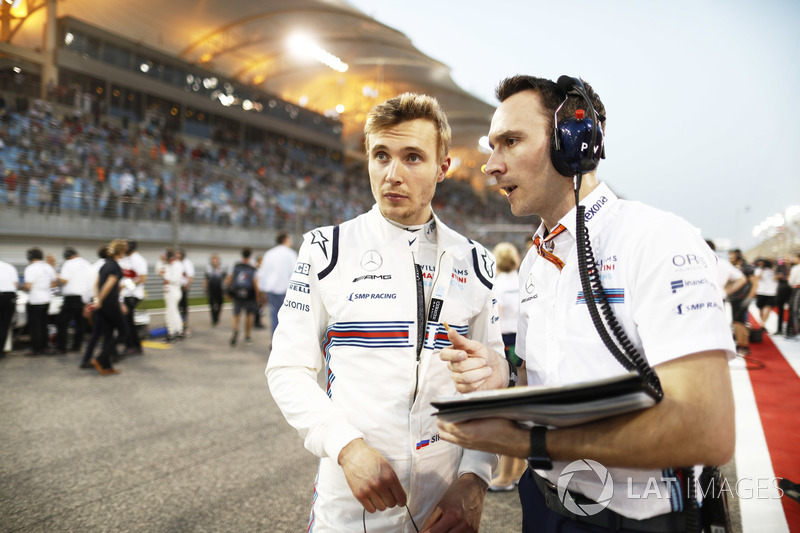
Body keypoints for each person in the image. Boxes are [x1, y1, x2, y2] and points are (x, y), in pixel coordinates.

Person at [436, 75, 736, 532]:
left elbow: (706, 430)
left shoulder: (654, 237)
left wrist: (529, 441)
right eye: (491, 146)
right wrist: (504, 376)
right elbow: (546, 380)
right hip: (543, 502)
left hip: (637, 518)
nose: (490, 166)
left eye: (510, 142)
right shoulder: (537, 256)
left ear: (573, 141)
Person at [266, 93, 503, 532]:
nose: (392, 175)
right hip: (354, 496)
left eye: (413, 157)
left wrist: (475, 479)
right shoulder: (326, 250)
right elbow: (286, 369)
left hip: (444, 501)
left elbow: (490, 389)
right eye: (381, 156)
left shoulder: (477, 262)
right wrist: (346, 446)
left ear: (443, 167)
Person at [487, 242, 527, 493]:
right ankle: (517, 471)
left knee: (506, 411)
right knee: (521, 409)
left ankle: (504, 476)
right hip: (522, 344)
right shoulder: (522, 280)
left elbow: (495, 320)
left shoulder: (498, 285)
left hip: (505, 345)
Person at [90, 239, 127, 375]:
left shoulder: (104, 265)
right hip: (110, 304)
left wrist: (96, 300)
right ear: (121, 251)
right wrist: (100, 300)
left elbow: (96, 284)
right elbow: (109, 285)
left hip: (102, 305)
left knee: (108, 335)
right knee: (123, 332)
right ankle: (100, 359)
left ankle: (107, 365)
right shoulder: (115, 267)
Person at [256, 232, 298, 338]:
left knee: (274, 316)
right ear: (285, 240)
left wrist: (262, 290)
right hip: (286, 290)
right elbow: (295, 272)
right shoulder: (291, 254)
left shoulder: (269, 254)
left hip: (272, 290)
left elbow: (263, 272)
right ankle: (285, 341)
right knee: (288, 318)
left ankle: (275, 340)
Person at [56, 247, 93, 354]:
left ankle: (61, 348)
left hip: (71, 298)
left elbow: (64, 281)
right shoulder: (87, 264)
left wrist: (57, 275)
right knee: (80, 323)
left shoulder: (69, 263)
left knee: (61, 322)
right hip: (84, 298)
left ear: (68, 256)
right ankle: (77, 346)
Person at [23, 247, 57, 356]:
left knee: (35, 326)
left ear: (30, 257)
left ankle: (36, 349)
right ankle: (44, 347)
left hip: (35, 300)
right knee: (44, 324)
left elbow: (28, 286)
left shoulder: (30, 268)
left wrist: (23, 286)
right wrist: (44, 287)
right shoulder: (48, 267)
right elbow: (54, 284)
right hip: (46, 299)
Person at [225, 247, 259, 347]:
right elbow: (255, 282)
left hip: (237, 293)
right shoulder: (253, 266)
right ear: (250, 255)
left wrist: (228, 291)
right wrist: (258, 296)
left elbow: (229, 278)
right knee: (249, 315)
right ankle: (247, 336)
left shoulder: (235, 265)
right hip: (249, 294)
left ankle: (235, 330)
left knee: (236, 314)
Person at [119, 239, 148, 355]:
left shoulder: (138, 260)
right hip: (126, 295)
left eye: (125, 246)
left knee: (127, 321)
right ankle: (135, 346)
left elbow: (142, 278)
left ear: (131, 247)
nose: (123, 248)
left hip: (133, 295)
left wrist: (128, 285)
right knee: (128, 322)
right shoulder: (125, 259)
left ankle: (131, 346)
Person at [729, 249, 758, 354]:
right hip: (736, 298)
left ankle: (744, 346)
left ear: (737, 257)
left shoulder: (746, 268)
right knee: (737, 322)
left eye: (731, 257)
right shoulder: (735, 267)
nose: (730, 259)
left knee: (739, 322)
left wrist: (749, 298)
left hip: (742, 298)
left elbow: (755, 284)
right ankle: (741, 344)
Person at [159, 248, 184, 343]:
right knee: (174, 312)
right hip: (170, 290)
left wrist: (164, 275)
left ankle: (172, 333)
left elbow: (175, 279)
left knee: (170, 313)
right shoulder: (169, 265)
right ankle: (179, 331)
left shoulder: (176, 265)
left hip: (173, 290)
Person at [0, 258, 18, 355]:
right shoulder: (9, 267)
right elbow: (15, 285)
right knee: (4, 325)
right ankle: (1, 351)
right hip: (9, 296)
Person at [203, 253, 225, 326]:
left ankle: (217, 316)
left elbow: (224, 279)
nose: (215, 261)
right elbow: (206, 279)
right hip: (211, 289)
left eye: (216, 260)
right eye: (213, 260)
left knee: (220, 303)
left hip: (219, 289)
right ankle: (214, 319)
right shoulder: (208, 269)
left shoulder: (221, 268)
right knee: (212, 304)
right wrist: (204, 288)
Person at [177, 249, 194, 332]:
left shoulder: (187, 263)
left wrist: (187, 286)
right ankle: (177, 322)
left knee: (183, 306)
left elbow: (190, 277)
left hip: (183, 287)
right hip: (176, 287)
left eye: (179, 254)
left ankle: (184, 322)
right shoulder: (176, 262)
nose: (177, 255)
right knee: (177, 306)